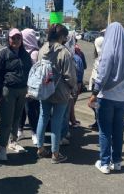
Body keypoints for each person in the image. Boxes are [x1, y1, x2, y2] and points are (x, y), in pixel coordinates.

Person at [87, 22, 124, 174]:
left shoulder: (108, 50)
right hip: (122, 99)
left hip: (106, 97)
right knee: (117, 131)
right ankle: (116, 162)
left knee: (104, 131)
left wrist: (94, 93)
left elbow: (102, 75)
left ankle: (104, 163)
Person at [36, 24, 76, 164]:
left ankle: (40, 148)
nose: (66, 39)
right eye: (65, 36)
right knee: (57, 121)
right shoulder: (64, 52)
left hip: (44, 90)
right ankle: (55, 153)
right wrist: (73, 88)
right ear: (61, 37)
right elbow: (70, 75)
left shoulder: (42, 50)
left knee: (43, 116)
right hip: (60, 91)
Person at [0, 28, 32, 161]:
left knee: (17, 118)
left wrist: (29, 89)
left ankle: (13, 141)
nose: (15, 40)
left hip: (22, 90)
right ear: (8, 39)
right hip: (7, 91)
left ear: (21, 39)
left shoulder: (25, 54)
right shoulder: (2, 53)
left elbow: (30, 72)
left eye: (18, 38)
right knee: (6, 121)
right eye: (13, 38)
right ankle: (2, 147)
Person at [18, 28, 40, 145]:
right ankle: (20, 130)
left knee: (31, 110)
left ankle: (34, 132)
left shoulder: (35, 53)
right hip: (23, 86)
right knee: (22, 109)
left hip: (31, 87)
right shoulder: (22, 51)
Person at [88, 35, 104, 131]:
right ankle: (97, 121)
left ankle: (99, 122)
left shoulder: (103, 58)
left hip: (98, 86)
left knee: (95, 104)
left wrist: (95, 91)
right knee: (95, 105)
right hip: (95, 84)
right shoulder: (99, 56)